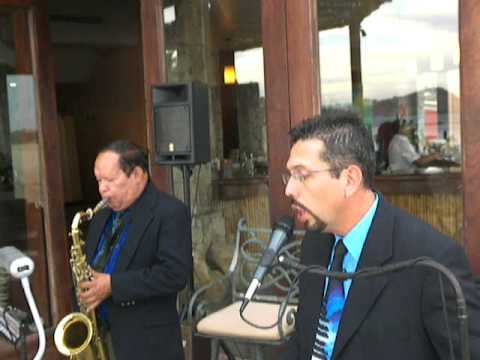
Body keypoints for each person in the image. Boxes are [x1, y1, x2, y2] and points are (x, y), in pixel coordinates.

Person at [281, 108, 480, 360]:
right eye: (289, 175)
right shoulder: (315, 242)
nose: (289, 189)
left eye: (302, 175)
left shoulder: (432, 261)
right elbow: (305, 340)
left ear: (350, 179)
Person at [78, 140, 192, 360]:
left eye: (110, 180)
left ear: (138, 175)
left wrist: (112, 285)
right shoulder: (101, 215)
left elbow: (174, 275)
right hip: (101, 334)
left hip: (147, 344)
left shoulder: (170, 212)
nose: (102, 189)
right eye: (99, 180)